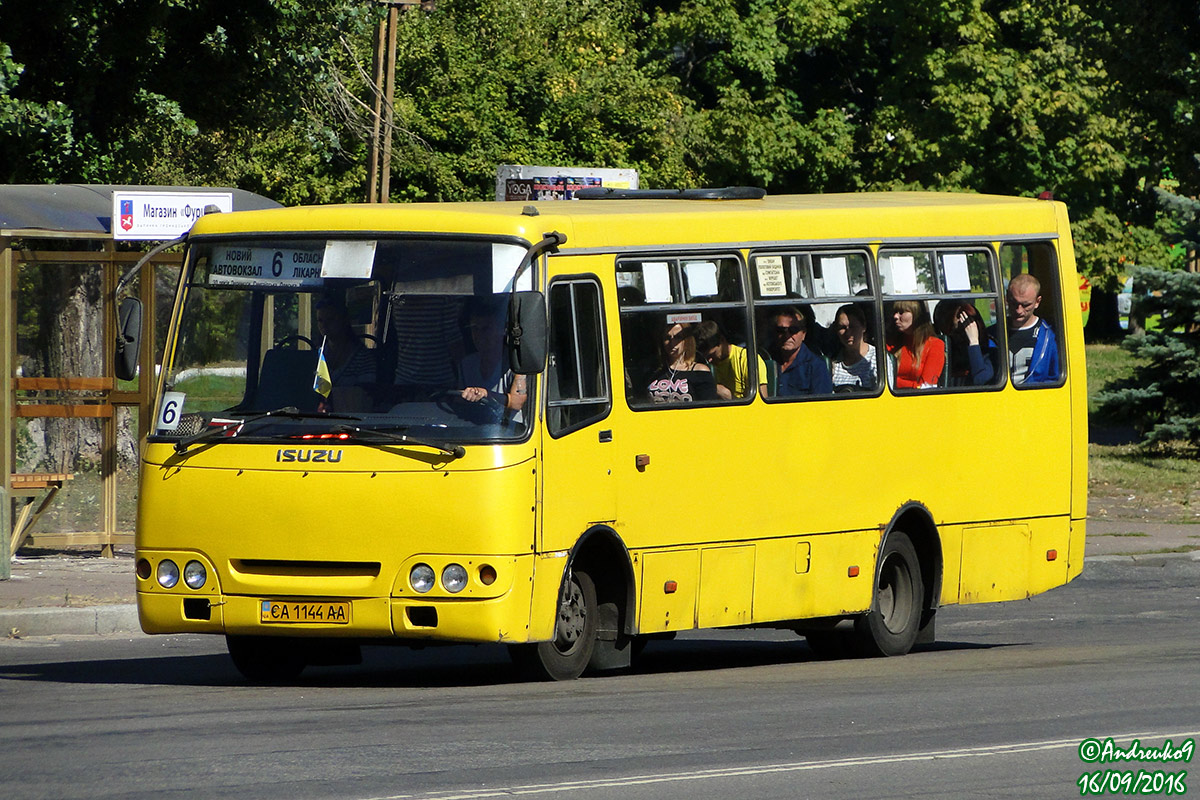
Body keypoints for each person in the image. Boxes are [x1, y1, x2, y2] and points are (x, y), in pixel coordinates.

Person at [458, 296, 527, 422]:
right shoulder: (467, 364)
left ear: (502, 329)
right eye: (475, 329)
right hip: (473, 431)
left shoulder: (517, 362)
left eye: (486, 329)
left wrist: (486, 395)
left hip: (510, 435)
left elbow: (517, 402)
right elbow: (459, 402)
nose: (479, 335)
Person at [1004, 273, 1059, 385]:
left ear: (1037, 302)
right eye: (1014, 303)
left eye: (1026, 305)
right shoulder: (994, 333)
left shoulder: (1048, 337)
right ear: (1006, 298)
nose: (1019, 310)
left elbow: (1055, 377)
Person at [646, 320, 719, 403]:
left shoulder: (699, 371)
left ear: (687, 340)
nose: (672, 343)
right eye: (667, 338)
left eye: (678, 337)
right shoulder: (655, 371)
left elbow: (708, 406)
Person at [694, 320, 767, 399]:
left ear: (722, 340)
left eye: (712, 355)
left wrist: (729, 397)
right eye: (706, 357)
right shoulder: (703, 366)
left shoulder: (747, 360)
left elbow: (761, 405)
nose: (709, 361)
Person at [769, 307, 833, 396]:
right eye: (781, 330)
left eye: (793, 330)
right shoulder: (766, 361)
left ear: (803, 334)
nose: (787, 335)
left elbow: (821, 406)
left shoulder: (816, 366)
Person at [933, 300, 997, 386]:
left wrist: (973, 342)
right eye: (956, 331)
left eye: (966, 328)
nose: (961, 337)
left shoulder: (989, 351)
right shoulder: (945, 350)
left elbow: (981, 380)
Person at [886, 299, 945, 389]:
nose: (895, 316)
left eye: (901, 312)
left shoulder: (935, 345)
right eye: (895, 312)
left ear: (917, 315)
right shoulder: (891, 344)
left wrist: (893, 381)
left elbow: (926, 386)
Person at [830, 304, 876, 392]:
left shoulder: (878, 359)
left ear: (864, 327)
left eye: (853, 327)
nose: (848, 333)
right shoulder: (833, 362)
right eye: (842, 328)